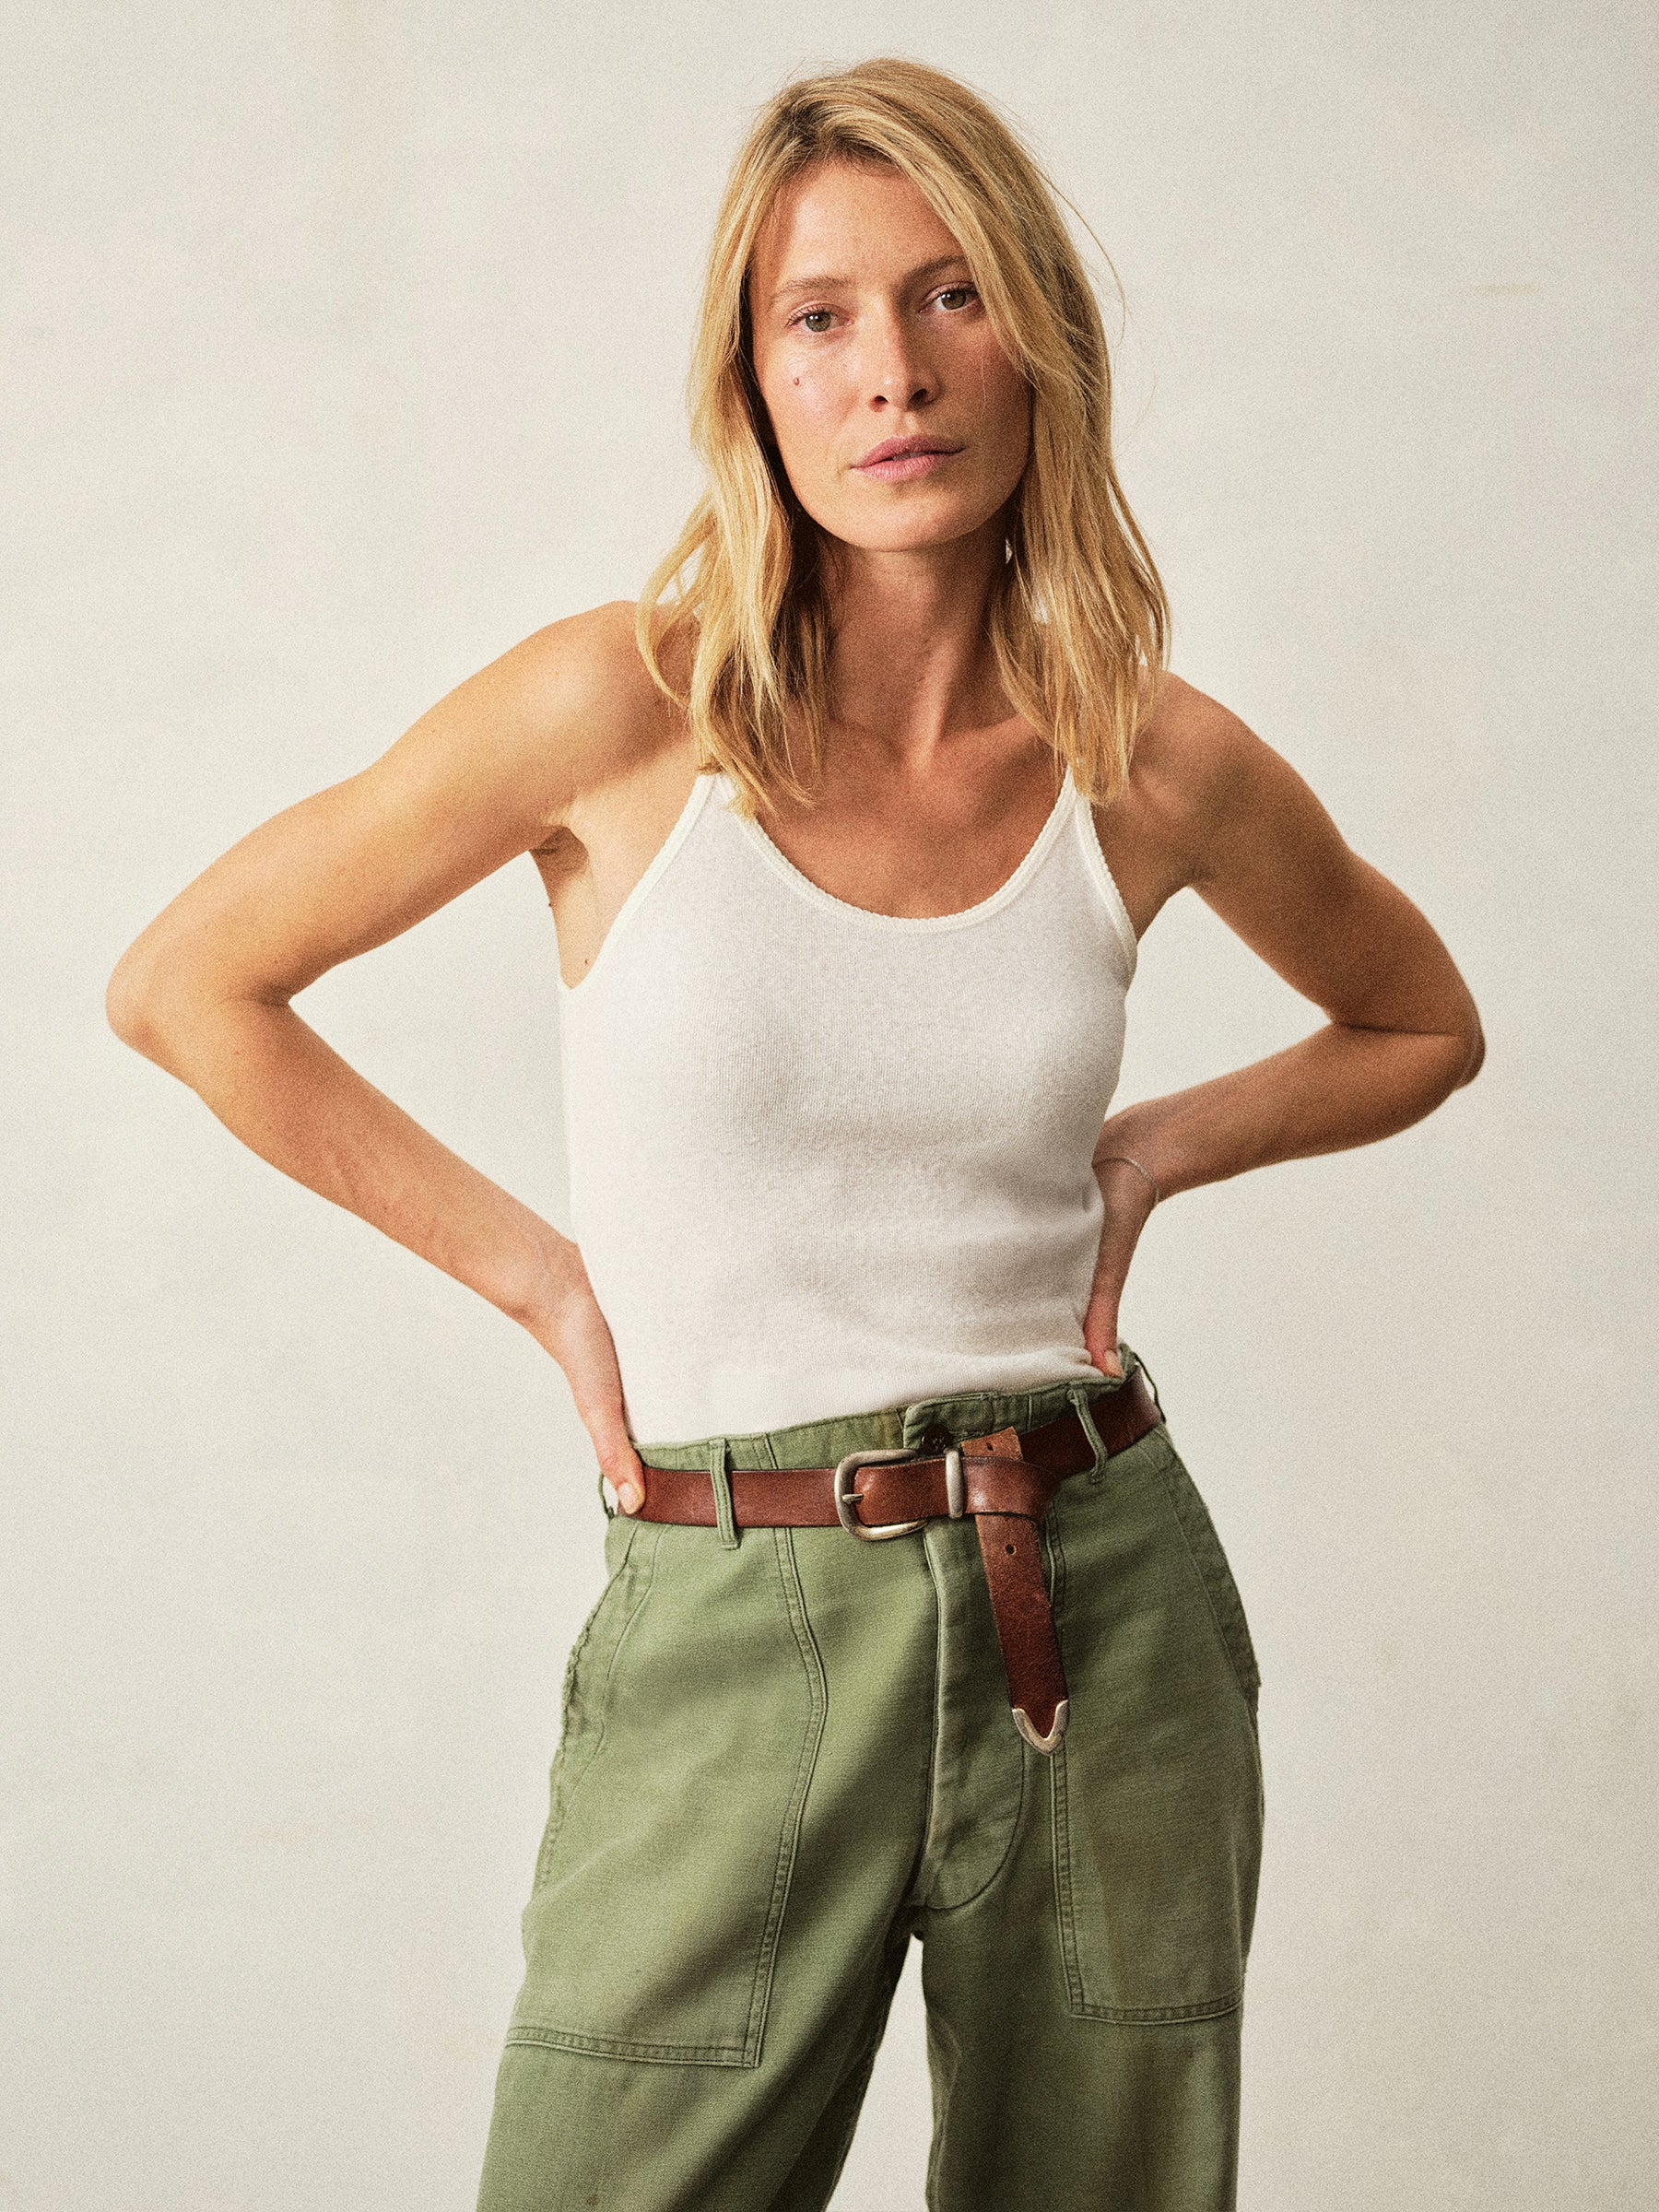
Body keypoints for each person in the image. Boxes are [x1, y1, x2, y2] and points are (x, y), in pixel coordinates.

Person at [107, 55, 1484, 2212]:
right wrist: (539, 1277)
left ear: (1039, 337)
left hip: (1096, 1598)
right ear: (750, 383)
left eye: (950, 295)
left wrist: (1152, 1149)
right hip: (732, 1596)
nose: (892, 374)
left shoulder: (1149, 761)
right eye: (818, 318)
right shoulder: (622, 707)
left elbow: (1419, 1024)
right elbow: (190, 982)